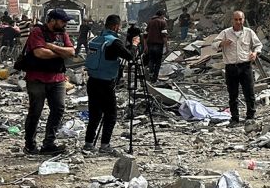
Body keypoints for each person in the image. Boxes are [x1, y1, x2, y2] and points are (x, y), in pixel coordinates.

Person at [22, 9, 76, 156]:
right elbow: (39, 53)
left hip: (57, 79)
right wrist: (61, 52)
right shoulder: (37, 32)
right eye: (63, 21)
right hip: (37, 79)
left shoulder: (62, 34)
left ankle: (49, 144)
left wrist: (52, 47)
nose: (65, 24)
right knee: (35, 112)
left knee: (58, 109)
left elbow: (71, 52)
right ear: (52, 20)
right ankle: (30, 144)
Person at [83, 14, 136, 154]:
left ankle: (88, 143)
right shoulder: (114, 42)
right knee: (111, 114)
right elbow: (130, 57)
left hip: (92, 81)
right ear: (116, 26)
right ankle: (104, 145)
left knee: (94, 114)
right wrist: (135, 45)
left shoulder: (97, 39)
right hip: (106, 83)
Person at [216, 11, 262, 125]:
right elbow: (213, 44)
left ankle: (250, 117)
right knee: (233, 94)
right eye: (236, 19)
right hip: (231, 68)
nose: (238, 22)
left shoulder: (249, 32)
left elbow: (258, 44)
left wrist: (255, 53)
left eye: (240, 19)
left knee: (249, 93)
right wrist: (222, 43)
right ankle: (235, 118)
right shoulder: (225, 33)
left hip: (245, 66)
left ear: (243, 19)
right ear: (232, 20)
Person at [144, 8, 169, 82]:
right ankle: (154, 78)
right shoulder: (162, 22)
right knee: (158, 62)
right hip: (158, 45)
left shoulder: (150, 22)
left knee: (151, 60)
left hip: (150, 44)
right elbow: (164, 35)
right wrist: (167, 47)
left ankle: (149, 74)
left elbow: (145, 35)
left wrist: (145, 46)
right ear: (162, 15)